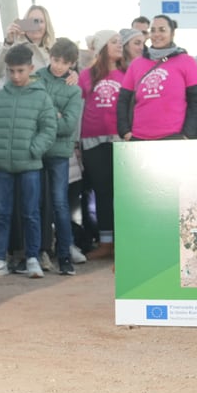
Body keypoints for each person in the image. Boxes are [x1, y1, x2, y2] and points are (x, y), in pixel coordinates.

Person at [0, 44, 57, 279]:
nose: (15, 76)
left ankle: (32, 258)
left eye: (20, 70)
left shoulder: (41, 97)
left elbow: (49, 128)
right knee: (2, 213)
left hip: (30, 165)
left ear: (31, 68)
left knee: (31, 213)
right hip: (2, 165)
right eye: (11, 71)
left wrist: (35, 150)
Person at [36, 38, 84, 276]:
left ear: (72, 64)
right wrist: (53, 114)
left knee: (59, 204)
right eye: (55, 60)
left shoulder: (74, 88)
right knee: (35, 203)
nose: (58, 66)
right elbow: (28, 110)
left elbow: (67, 126)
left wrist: (46, 115)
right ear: (50, 57)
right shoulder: (36, 77)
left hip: (58, 153)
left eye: (64, 62)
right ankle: (37, 253)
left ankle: (64, 256)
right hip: (35, 151)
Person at [78, 30, 128, 259]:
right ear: (101, 47)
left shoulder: (128, 74)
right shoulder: (86, 76)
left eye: (120, 42)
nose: (119, 45)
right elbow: (78, 108)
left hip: (121, 141)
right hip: (92, 141)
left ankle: (124, 242)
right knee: (102, 192)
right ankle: (106, 242)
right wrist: (76, 143)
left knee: (124, 193)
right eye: (114, 42)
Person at [118, 14, 197, 141]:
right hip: (139, 138)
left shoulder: (187, 61)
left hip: (174, 137)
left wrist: (187, 134)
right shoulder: (137, 63)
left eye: (162, 30)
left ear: (172, 33)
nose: (157, 34)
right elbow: (123, 100)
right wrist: (125, 131)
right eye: (153, 30)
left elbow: (196, 101)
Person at [0, 4, 55, 85]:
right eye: (33, 21)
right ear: (24, 23)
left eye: (41, 21)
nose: (37, 25)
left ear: (47, 25)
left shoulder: (53, 50)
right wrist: (7, 43)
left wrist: (72, 74)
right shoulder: (14, 46)